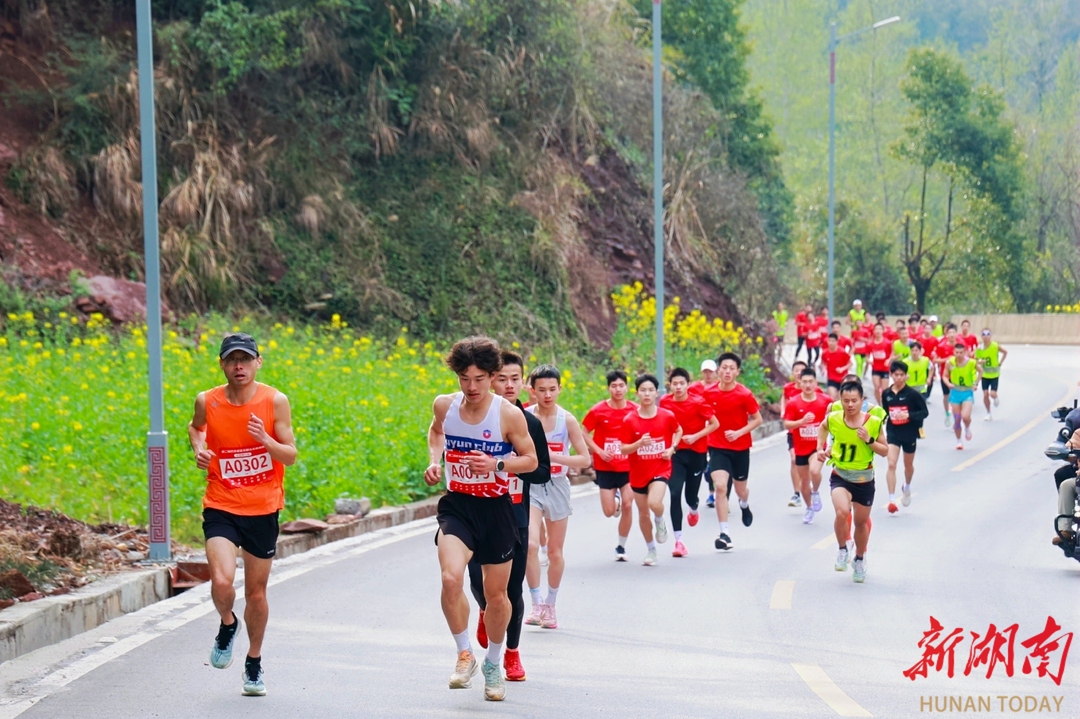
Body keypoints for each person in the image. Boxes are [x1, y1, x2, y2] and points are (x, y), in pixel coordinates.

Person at [424, 336, 538, 702]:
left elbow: (532, 461)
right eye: (463, 378)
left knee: (496, 596)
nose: (471, 387)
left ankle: (493, 661)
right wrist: (434, 460)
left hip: (496, 509)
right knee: (450, 577)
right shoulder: (446, 405)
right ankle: (464, 654)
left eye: (478, 379)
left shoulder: (507, 413)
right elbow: (436, 431)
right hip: (458, 505)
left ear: (492, 376)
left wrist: (497, 464)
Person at [189, 333, 298, 697]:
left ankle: (253, 662)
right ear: (222, 364)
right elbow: (196, 427)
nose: (240, 366)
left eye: (246, 359)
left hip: (262, 508)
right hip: (220, 501)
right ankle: (226, 623)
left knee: (255, 593)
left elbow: (290, 455)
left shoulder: (274, 401)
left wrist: (265, 440)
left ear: (257, 362)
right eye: (232, 360)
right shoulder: (208, 400)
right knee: (221, 582)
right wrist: (200, 449)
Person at [467, 351, 549, 682]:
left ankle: (511, 654)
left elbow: (542, 471)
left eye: (515, 379)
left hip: (514, 514)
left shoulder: (529, 423)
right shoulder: (471, 417)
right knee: (477, 583)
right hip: (475, 511)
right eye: (502, 378)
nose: (509, 385)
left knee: (512, 591)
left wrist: (511, 463)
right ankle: (486, 610)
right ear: (490, 379)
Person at [520, 366, 590, 631]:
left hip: (558, 486)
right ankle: (536, 602)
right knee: (530, 544)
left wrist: (553, 458)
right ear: (532, 390)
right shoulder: (524, 417)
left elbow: (584, 459)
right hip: (531, 486)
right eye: (541, 390)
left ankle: (551, 603)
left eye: (552, 389)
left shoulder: (567, 420)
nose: (547, 395)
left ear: (560, 389)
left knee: (555, 551)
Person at [818, 381, 888, 583]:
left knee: (860, 522)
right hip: (841, 475)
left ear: (862, 401)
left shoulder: (873, 422)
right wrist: (819, 448)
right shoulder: (833, 418)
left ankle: (859, 557)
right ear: (840, 400)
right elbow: (822, 428)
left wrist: (869, 440)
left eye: (854, 401)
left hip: (864, 479)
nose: (850, 405)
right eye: (846, 401)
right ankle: (842, 548)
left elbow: (884, 451)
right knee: (842, 512)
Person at [620, 374, 683, 566]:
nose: (647, 394)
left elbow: (678, 431)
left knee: (655, 503)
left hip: (660, 468)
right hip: (638, 473)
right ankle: (651, 550)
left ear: (657, 393)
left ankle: (660, 520)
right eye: (643, 390)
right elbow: (623, 448)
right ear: (637, 393)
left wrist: (672, 448)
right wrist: (639, 443)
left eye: (650, 390)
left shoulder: (667, 416)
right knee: (643, 513)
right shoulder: (630, 420)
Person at [703, 352, 763, 551]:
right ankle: (724, 533)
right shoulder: (708, 393)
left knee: (740, 490)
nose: (727, 372)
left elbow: (757, 419)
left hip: (740, 448)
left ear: (737, 372)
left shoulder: (744, 394)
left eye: (732, 368)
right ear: (718, 370)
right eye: (724, 368)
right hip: (717, 446)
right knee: (720, 486)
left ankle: (744, 504)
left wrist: (738, 433)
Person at [660, 368, 719, 556]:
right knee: (675, 492)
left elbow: (715, 424)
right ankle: (679, 542)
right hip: (675, 453)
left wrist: (696, 436)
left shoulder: (698, 402)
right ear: (670, 385)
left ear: (688, 384)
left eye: (681, 383)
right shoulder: (665, 402)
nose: (678, 387)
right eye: (674, 383)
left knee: (690, 497)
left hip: (696, 453)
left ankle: (694, 508)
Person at [582, 371, 637, 560]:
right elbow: (584, 432)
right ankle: (616, 503)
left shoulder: (635, 410)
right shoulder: (598, 410)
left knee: (629, 505)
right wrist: (598, 451)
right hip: (605, 466)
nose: (618, 389)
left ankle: (621, 546)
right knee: (609, 512)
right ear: (608, 388)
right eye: (614, 386)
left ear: (627, 387)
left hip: (629, 467)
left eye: (621, 385)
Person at [783, 368, 833, 524]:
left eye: (811, 381)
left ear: (816, 383)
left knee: (814, 470)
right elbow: (786, 424)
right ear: (799, 383)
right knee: (804, 481)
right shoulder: (793, 403)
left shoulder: (826, 401)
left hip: (818, 446)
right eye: (804, 382)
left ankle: (816, 491)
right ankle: (809, 507)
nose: (808, 385)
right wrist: (801, 422)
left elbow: (836, 417)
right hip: (800, 448)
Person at [880, 360, 929, 514]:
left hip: (909, 433)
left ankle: (906, 486)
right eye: (896, 375)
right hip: (893, 432)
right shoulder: (886, 394)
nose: (899, 378)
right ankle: (892, 499)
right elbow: (885, 413)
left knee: (908, 466)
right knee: (892, 464)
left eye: (902, 375)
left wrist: (908, 415)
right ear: (891, 375)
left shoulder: (913, 394)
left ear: (906, 376)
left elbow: (924, 412)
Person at [781, 360, 811, 507]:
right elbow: (784, 400)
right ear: (793, 374)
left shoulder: (812, 390)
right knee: (794, 460)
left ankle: (806, 484)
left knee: (808, 464)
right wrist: (783, 411)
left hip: (809, 433)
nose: (799, 373)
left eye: (802, 370)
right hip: (794, 431)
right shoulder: (788, 388)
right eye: (796, 370)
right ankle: (797, 493)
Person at [944, 342, 981, 451]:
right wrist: (948, 383)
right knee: (957, 419)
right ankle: (959, 441)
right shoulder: (950, 363)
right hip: (955, 392)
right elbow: (945, 375)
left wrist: (975, 384)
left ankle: (968, 427)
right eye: (957, 352)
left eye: (961, 352)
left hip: (967, 392)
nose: (959, 354)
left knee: (965, 416)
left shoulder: (971, 363)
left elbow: (981, 371)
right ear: (953, 352)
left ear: (964, 352)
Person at [975, 328, 1007, 421]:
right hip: (984, 375)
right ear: (981, 336)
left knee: (992, 393)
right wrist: (980, 362)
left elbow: (1005, 352)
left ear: (990, 335)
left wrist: (1000, 362)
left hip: (994, 374)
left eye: (988, 334)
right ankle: (988, 413)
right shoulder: (979, 348)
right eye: (983, 334)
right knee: (985, 394)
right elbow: (975, 361)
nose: (986, 336)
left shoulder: (995, 346)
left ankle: (995, 397)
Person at [931, 324, 958, 427]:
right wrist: (946, 359)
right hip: (945, 376)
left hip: (957, 376)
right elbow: (935, 360)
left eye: (953, 333)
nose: (951, 335)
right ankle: (947, 413)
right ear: (946, 334)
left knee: (955, 398)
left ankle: (956, 418)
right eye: (949, 333)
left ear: (956, 334)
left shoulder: (960, 345)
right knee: (946, 396)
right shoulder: (942, 346)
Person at [819, 333, 853, 399]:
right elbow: (823, 363)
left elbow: (850, 363)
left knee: (841, 399)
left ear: (837, 342)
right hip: (831, 378)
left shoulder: (842, 352)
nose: (831, 343)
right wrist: (823, 368)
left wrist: (842, 369)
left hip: (843, 379)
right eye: (829, 341)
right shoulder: (825, 353)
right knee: (832, 398)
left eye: (833, 341)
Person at [867, 323, 893, 405]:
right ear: (873, 331)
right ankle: (879, 404)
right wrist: (869, 360)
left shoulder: (888, 343)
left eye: (879, 329)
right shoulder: (870, 344)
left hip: (885, 369)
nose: (878, 331)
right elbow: (867, 356)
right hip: (875, 368)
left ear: (883, 331)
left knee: (885, 389)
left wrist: (888, 360)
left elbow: (892, 353)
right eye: (876, 329)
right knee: (877, 387)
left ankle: (885, 403)